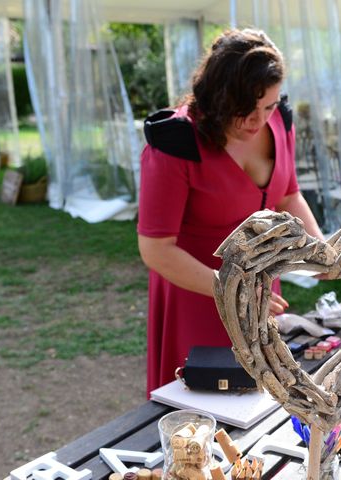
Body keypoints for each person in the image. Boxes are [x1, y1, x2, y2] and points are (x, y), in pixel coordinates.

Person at [137, 28, 324, 395]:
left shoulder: (280, 121)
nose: (257, 122)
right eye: (244, 110)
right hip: (195, 295)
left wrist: (320, 253)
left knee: (259, 401)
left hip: (258, 294)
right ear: (219, 98)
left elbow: (286, 195)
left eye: (267, 106)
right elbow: (156, 249)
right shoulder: (176, 144)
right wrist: (231, 289)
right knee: (197, 420)